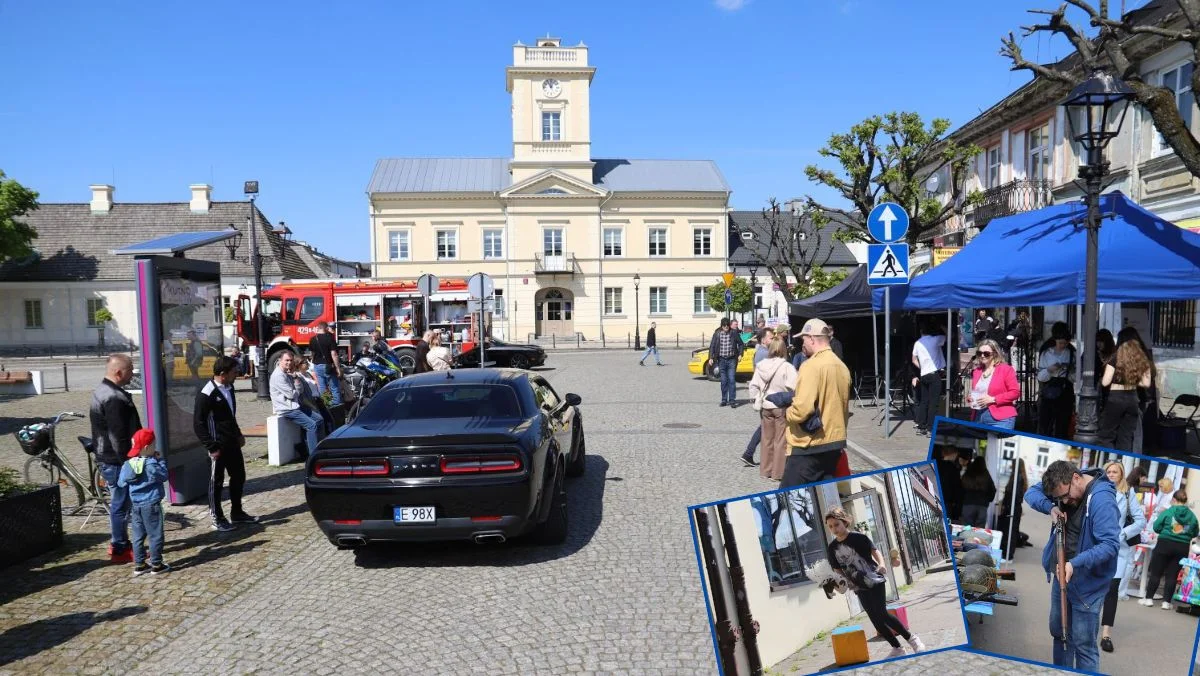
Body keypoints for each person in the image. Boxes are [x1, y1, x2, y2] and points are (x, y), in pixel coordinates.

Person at [1024, 460, 1120, 672]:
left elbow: (1110, 545)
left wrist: (1075, 563)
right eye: (1059, 498)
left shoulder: (1102, 499)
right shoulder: (1062, 481)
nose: (1064, 501)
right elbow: (1030, 493)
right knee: (1060, 634)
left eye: (1065, 496)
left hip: (1088, 584)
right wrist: (1050, 508)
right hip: (1062, 576)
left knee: (1083, 646)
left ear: (1076, 478)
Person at [824, 507, 926, 658]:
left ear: (844, 522)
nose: (834, 529)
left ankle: (913, 639)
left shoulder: (859, 537)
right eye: (831, 526)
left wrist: (882, 564)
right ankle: (897, 648)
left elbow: (875, 551)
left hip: (874, 578)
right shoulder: (832, 548)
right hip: (857, 585)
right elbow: (837, 569)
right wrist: (839, 582)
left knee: (882, 613)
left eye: (837, 524)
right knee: (874, 618)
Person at [782, 319, 851, 486]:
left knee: (789, 498)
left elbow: (801, 410)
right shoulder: (841, 366)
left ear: (812, 338)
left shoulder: (811, 366)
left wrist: (787, 414)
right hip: (834, 443)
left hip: (809, 445)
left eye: (803, 340)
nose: (802, 344)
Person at [90, 353, 143, 562]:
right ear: (119, 372)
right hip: (116, 461)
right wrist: (131, 463)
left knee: (119, 504)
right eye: (130, 369)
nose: (132, 373)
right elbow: (118, 436)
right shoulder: (113, 397)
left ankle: (120, 544)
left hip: (108, 458)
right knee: (121, 506)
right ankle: (120, 548)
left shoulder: (102, 391)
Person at [194, 356, 257, 531]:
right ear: (223, 374)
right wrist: (211, 446)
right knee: (217, 482)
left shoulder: (229, 388)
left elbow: (230, 415)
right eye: (234, 371)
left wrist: (238, 434)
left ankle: (237, 513)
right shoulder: (207, 393)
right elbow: (198, 423)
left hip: (232, 443)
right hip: (217, 446)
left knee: (239, 476)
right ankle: (217, 517)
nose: (237, 374)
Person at [1099, 461, 1145, 652]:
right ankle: (1085, 626)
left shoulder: (1128, 493)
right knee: (1093, 588)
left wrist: (1123, 533)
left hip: (1119, 550)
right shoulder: (1097, 491)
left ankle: (1106, 634)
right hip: (1097, 547)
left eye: (1114, 471)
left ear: (1121, 474)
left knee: (1111, 591)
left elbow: (1141, 520)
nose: (1111, 474)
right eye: (1108, 471)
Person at [117, 428, 170, 576]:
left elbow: (121, 483)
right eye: (153, 445)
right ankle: (156, 564)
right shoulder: (151, 465)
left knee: (137, 536)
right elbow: (164, 475)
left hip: (136, 506)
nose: (155, 448)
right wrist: (160, 460)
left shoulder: (128, 464)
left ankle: (140, 564)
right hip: (152, 504)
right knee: (155, 535)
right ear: (147, 448)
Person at [747, 337, 798, 481]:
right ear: (783, 349)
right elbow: (796, 386)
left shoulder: (761, 365)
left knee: (766, 439)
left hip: (765, 406)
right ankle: (778, 473)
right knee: (780, 440)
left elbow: (753, 385)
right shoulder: (786, 367)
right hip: (780, 406)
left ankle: (765, 470)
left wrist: (756, 398)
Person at [1140, 489, 1199, 609]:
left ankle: (1148, 599)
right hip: (1182, 547)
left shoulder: (1168, 512)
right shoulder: (1192, 516)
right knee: (1173, 575)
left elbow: (1156, 527)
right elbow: (1194, 533)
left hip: (1164, 544)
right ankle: (1166, 603)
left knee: (1156, 572)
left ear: (1174, 500)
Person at [1097, 340, 1153, 451]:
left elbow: (1105, 382)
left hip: (1115, 398)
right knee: (1126, 437)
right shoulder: (1142, 362)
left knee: (1106, 436)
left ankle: (1109, 457)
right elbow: (1146, 383)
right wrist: (1132, 380)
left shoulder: (1114, 359)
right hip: (1132, 398)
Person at [270, 351, 324, 459]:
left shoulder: (288, 372)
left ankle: (306, 447)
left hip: (295, 405)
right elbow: (291, 394)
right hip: (287, 408)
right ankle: (313, 456)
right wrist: (296, 387)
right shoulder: (278, 375)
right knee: (311, 425)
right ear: (280, 361)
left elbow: (300, 390)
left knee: (319, 419)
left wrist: (295, 380)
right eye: (286, 360)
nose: (289, 363)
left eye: (290, 360)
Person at [969, 339, 1021, 430]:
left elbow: (1015, 392)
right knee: (980, 444)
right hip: (978, 416)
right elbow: (976, 391)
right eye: (979, 353)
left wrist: (993, 399)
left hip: (1000, 418)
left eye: (986, 353)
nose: (982, 356)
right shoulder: (977, 371)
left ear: (995, 354)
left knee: (997, 444)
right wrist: (970, 397)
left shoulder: (1006, 370)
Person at [1037, 322, 1076, 439]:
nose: (1062, 345)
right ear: (1055, 339)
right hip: (1049, 389)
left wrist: (1069, 372)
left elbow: (1075, 376)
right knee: (1046, 424)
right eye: (1060, 342)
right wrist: (1049, 370)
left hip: (1065, 391)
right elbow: (1040, 376)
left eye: (1065, 343)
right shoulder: (1046, 352)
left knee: (1062, 425)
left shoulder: (1071, 353)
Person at [910, 322, 947, 436]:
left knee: (923, 401)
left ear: (921, 332)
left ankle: (921, 426)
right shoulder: (936, 339)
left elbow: (913, 359)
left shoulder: (918, 343)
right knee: (934, 403)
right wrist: (942, 327)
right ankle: (931, 428)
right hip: (934, 373)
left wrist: (922, 367)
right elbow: (950, 337)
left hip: (924, 374)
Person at [708, 318, 744, 408]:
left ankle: (732, 400)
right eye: (724, 326)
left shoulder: (733, 333)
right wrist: (711, 358)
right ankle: (724, 399)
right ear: (721, 326)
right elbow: (712, 346)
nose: (726, 327)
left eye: (727, 325)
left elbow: (741, 344)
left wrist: (740, 354)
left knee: (731, 380)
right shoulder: (717, 334)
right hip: (721, 360)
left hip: (732, 359)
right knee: (724, 381)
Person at [997, 457, 1028, 560]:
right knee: (1009, 530)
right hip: (1012, 507)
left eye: (1012, 464)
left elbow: (1016, 496)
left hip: (1012, 508)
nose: (1011, 466)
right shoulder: (1017, 477)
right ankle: (1007, 553)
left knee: (1010, 531)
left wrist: (1007, 505)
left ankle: (1008, 555)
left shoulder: (1018, 478)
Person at [308, 321, 342, 407]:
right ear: (326, 328)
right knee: (334, 387)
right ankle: (337, 407)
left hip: (317, 366)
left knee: (322, 387)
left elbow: (312, 354)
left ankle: (326, 404)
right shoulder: (330, 338)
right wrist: (338, 368)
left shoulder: (312, 339)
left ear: (318, 328)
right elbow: (334, 354)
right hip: (328, 366)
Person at [959, 457, 996, 528]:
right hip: (982, 506)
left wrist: (962, 500)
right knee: (979, 531)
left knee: (966, 529)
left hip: (968, 503)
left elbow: (960, 488)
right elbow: (993, 490)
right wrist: (988, 500)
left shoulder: (968, 473)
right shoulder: (986, 474)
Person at [936, 446, 964, 523]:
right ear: (952, 454)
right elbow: (957, 488)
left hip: (936, 497)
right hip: (947, 501)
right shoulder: (953, 468)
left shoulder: (936, 464)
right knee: (947, 524)